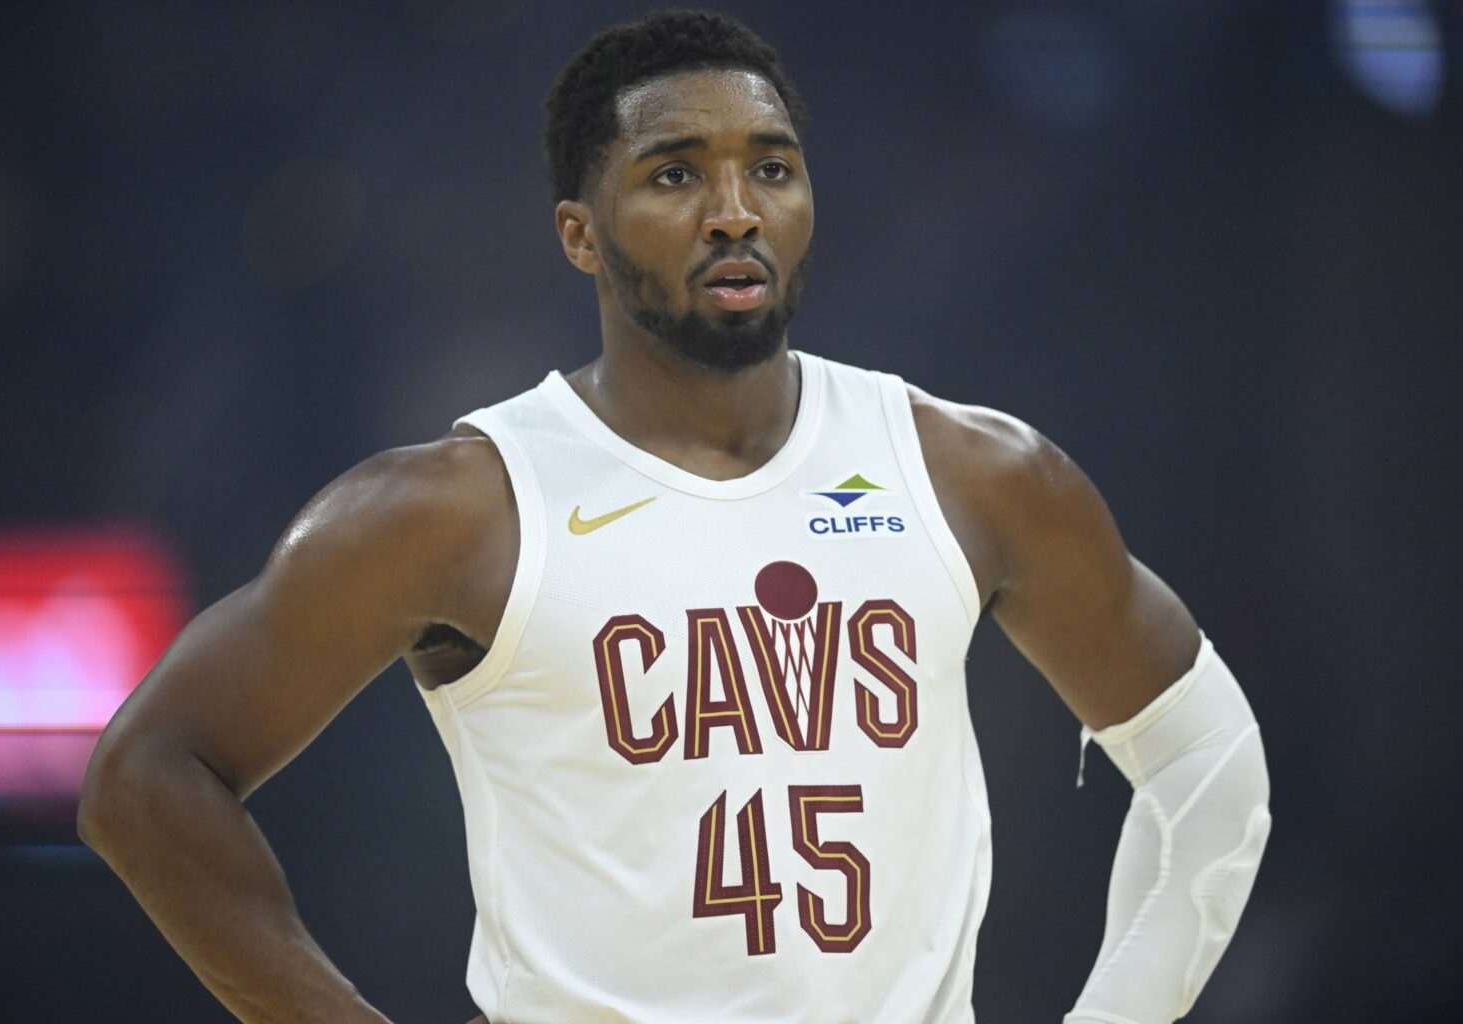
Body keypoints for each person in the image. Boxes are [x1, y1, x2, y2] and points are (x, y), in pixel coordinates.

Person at [78, 9, 1271, 1023]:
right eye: (675, 172)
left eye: (771, 166)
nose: (735, 209)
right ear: (578, 234)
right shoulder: (460, 506)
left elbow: (1208, 762)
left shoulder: (973, 471)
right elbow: (144, 777)